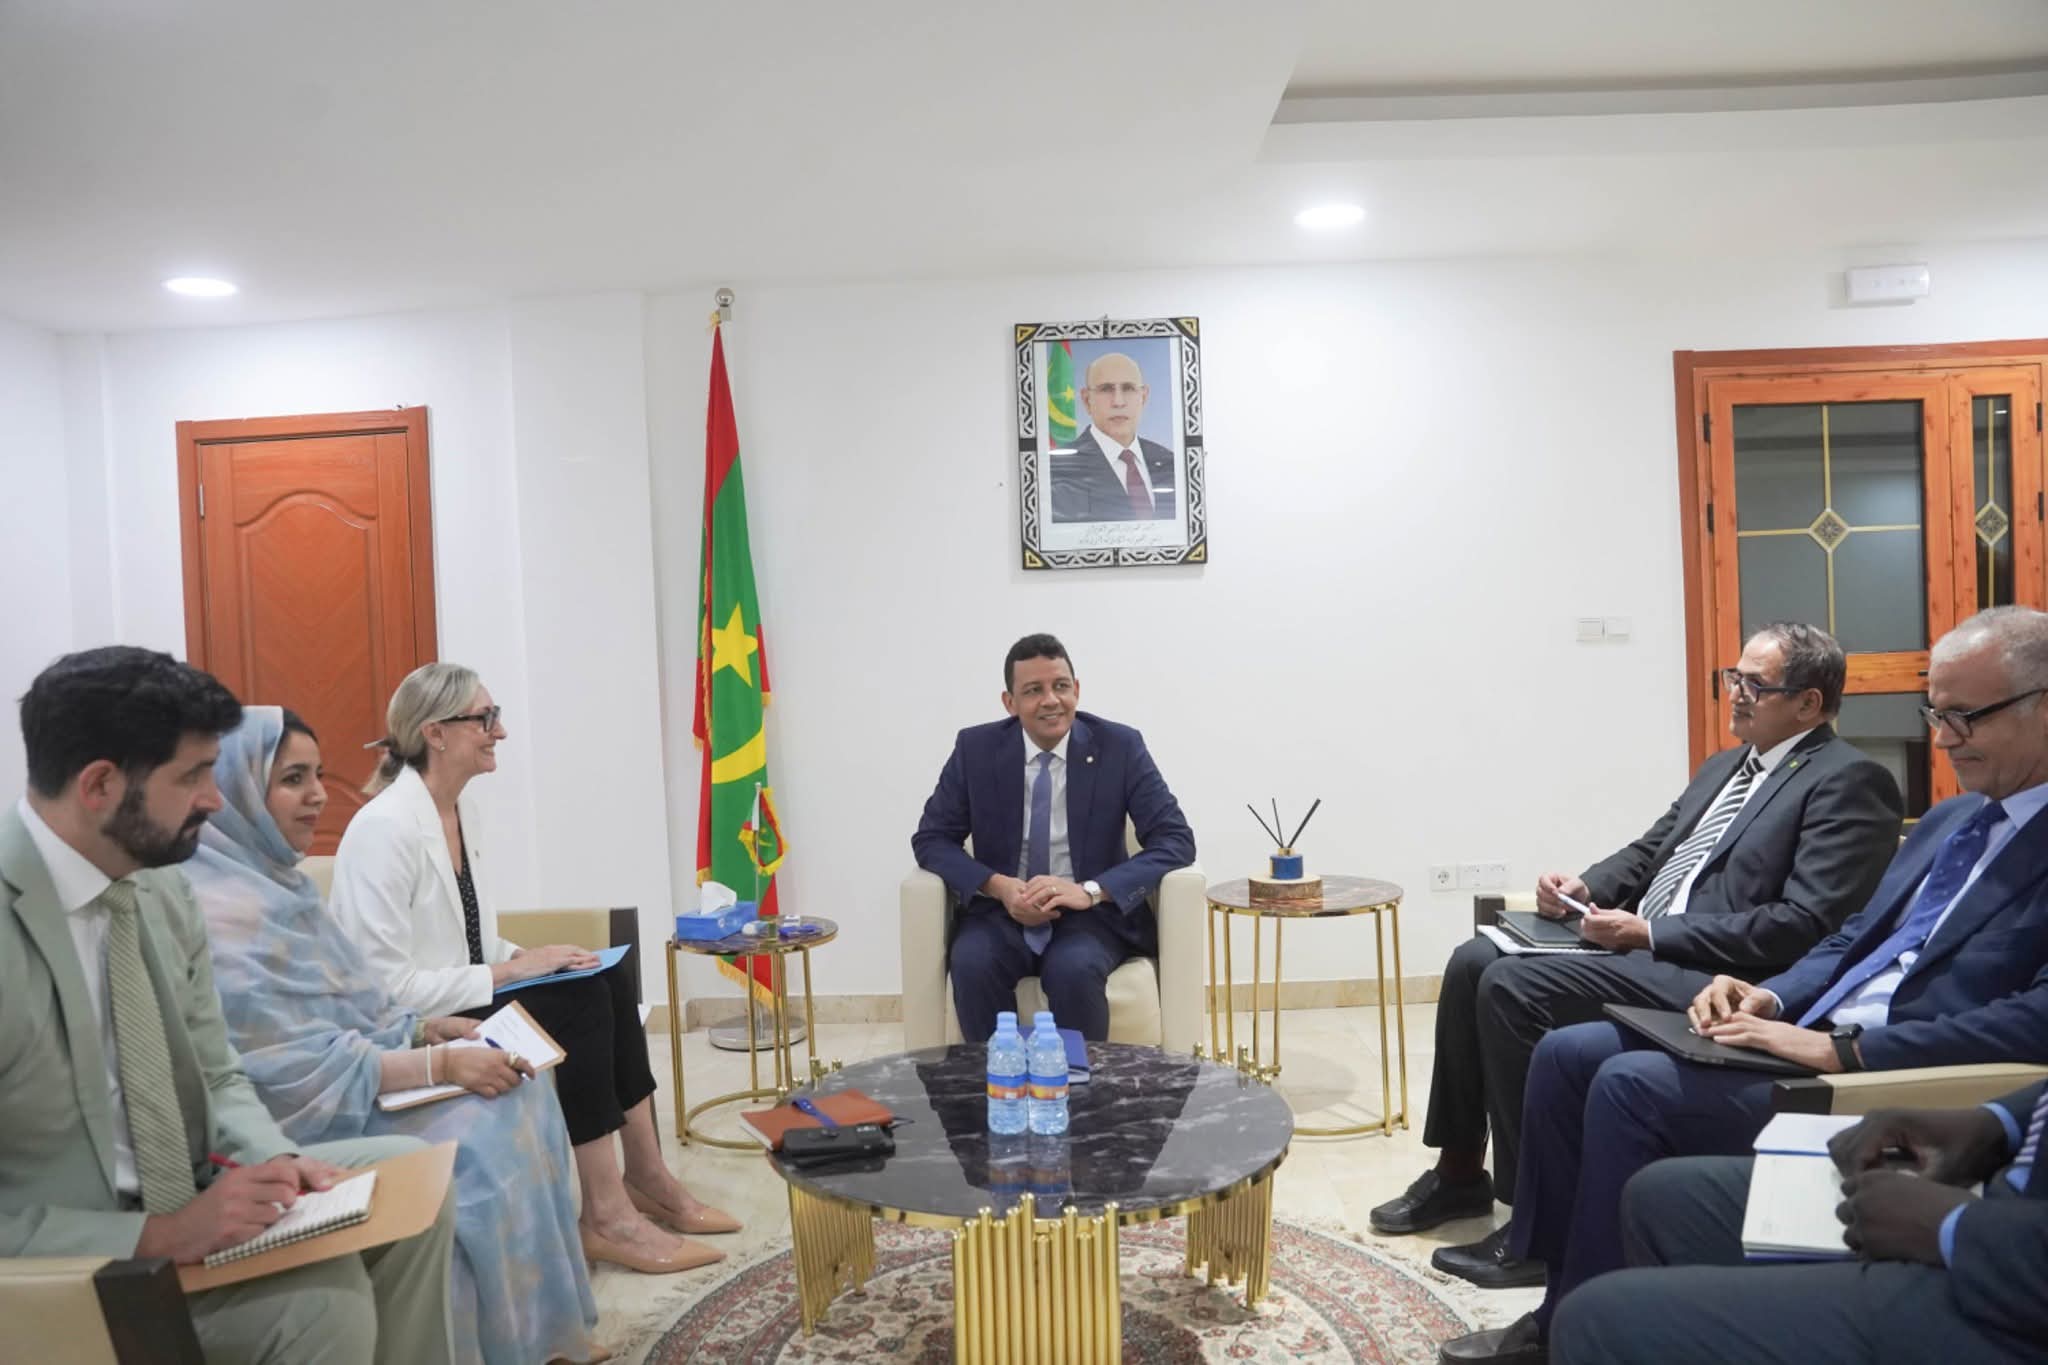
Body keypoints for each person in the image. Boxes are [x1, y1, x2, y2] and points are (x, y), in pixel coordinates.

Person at [1439, 605, 2048, 1365]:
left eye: (1965, 717)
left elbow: (2028, 1018)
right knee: (1565, 1053)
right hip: (1799, 1022)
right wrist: (1775, 996)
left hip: (1884, 1069)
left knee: (1624, 1081)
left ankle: (1582, 1323)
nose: (1943, 738)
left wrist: (1843, 1050)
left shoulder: (1854, 781)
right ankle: (1551, 1282)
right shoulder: (1953, 819)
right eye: (1936, 714)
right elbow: (1851, 937)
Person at [1378, 622, 1902, 1290]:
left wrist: (1649, 934)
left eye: (1755, 684)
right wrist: (1583, 888)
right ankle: (1459, 1173)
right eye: (1733, 677)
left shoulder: (1849, 780)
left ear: (1809, 703)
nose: (1736, 693)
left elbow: (1803, 925)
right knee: (1471, 959)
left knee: (1511, 987)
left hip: (1713, 975)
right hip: (1645, 945)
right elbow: (1651, 851)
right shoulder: (1727, 765)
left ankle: (1537, 1226)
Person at [0, 646, 458, 1365]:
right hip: (69, 1263)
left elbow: (216, 1073)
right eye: (191, 776)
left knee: (403, 1180)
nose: (215, 801)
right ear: (99, 784)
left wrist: (276, 1160)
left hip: (188, 1187)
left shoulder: (160, 888)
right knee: (325, 1306)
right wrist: (157, 1235)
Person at [186, 706, 601, 1364]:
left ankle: (534, 1337)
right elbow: (283, 1071)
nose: (317, 794)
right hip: (296, 1118)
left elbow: (352, 1000)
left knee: (522, 1087)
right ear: (235, 790)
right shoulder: (211, 909)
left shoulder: (284, 885)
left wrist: (421, 1029)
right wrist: (440, 1065)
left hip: (355, 1075)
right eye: (292, 779)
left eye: (317, 774)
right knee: (477, 1134)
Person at [330, 662, 736, 1276]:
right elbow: (385, 988)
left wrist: (524, 956)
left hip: (458, 994)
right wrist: (513, 974)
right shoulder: (382, 831)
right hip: (414, 1026)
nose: (499, 731)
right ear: (436, 733)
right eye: (485, 718)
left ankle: (647, 1176)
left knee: (605, 977)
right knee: (577, 1004)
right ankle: (606, 1217)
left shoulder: (460, 812)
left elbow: (470, 936)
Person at [1551, 1084, 2048, 1363]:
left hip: (2016, 1296)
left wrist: (1953, 1228)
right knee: (1662, 1198)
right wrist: (1998, 1120)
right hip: (2005, 1195)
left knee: (1596, 1322)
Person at [913, 632, 1195, 1041]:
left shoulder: (1120, 746)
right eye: (1033, 690)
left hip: (1090, 915)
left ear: (1076, 689)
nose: (1050, 700)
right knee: (972, 963)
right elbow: (932, 838)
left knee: (1073, 970)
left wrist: (1091, 891)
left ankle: (1079, 1081)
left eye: (1060, 686)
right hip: (1001, 911)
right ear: (1010, 702)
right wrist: (998, 887)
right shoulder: (975, 749)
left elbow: (1175, 839)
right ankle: (995, 1078)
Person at [1047, 353, 1178, 523]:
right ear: (1087, 400)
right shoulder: (1057, 470)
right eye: (1106, 389)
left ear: (1143, 397)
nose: (1118, 402)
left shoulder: (1170, 463)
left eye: (1128, 388)